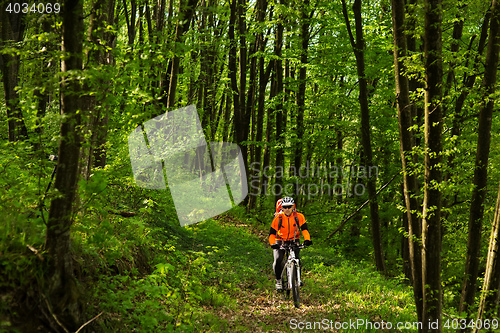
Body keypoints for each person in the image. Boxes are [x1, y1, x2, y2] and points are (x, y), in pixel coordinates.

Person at [268, 197, 312, 290]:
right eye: (285, 207)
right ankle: (278, 280)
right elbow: (271, 234)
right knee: (278, 259)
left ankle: (297, 279)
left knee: (297, 258)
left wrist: (307, 239)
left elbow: (304, 230)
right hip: (280, 239)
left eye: (289, 207)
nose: (287, 209)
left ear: (293, 207)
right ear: (282, 208)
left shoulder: (299, 216)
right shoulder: (278, 218)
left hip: (294, 239)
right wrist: (273, 243)